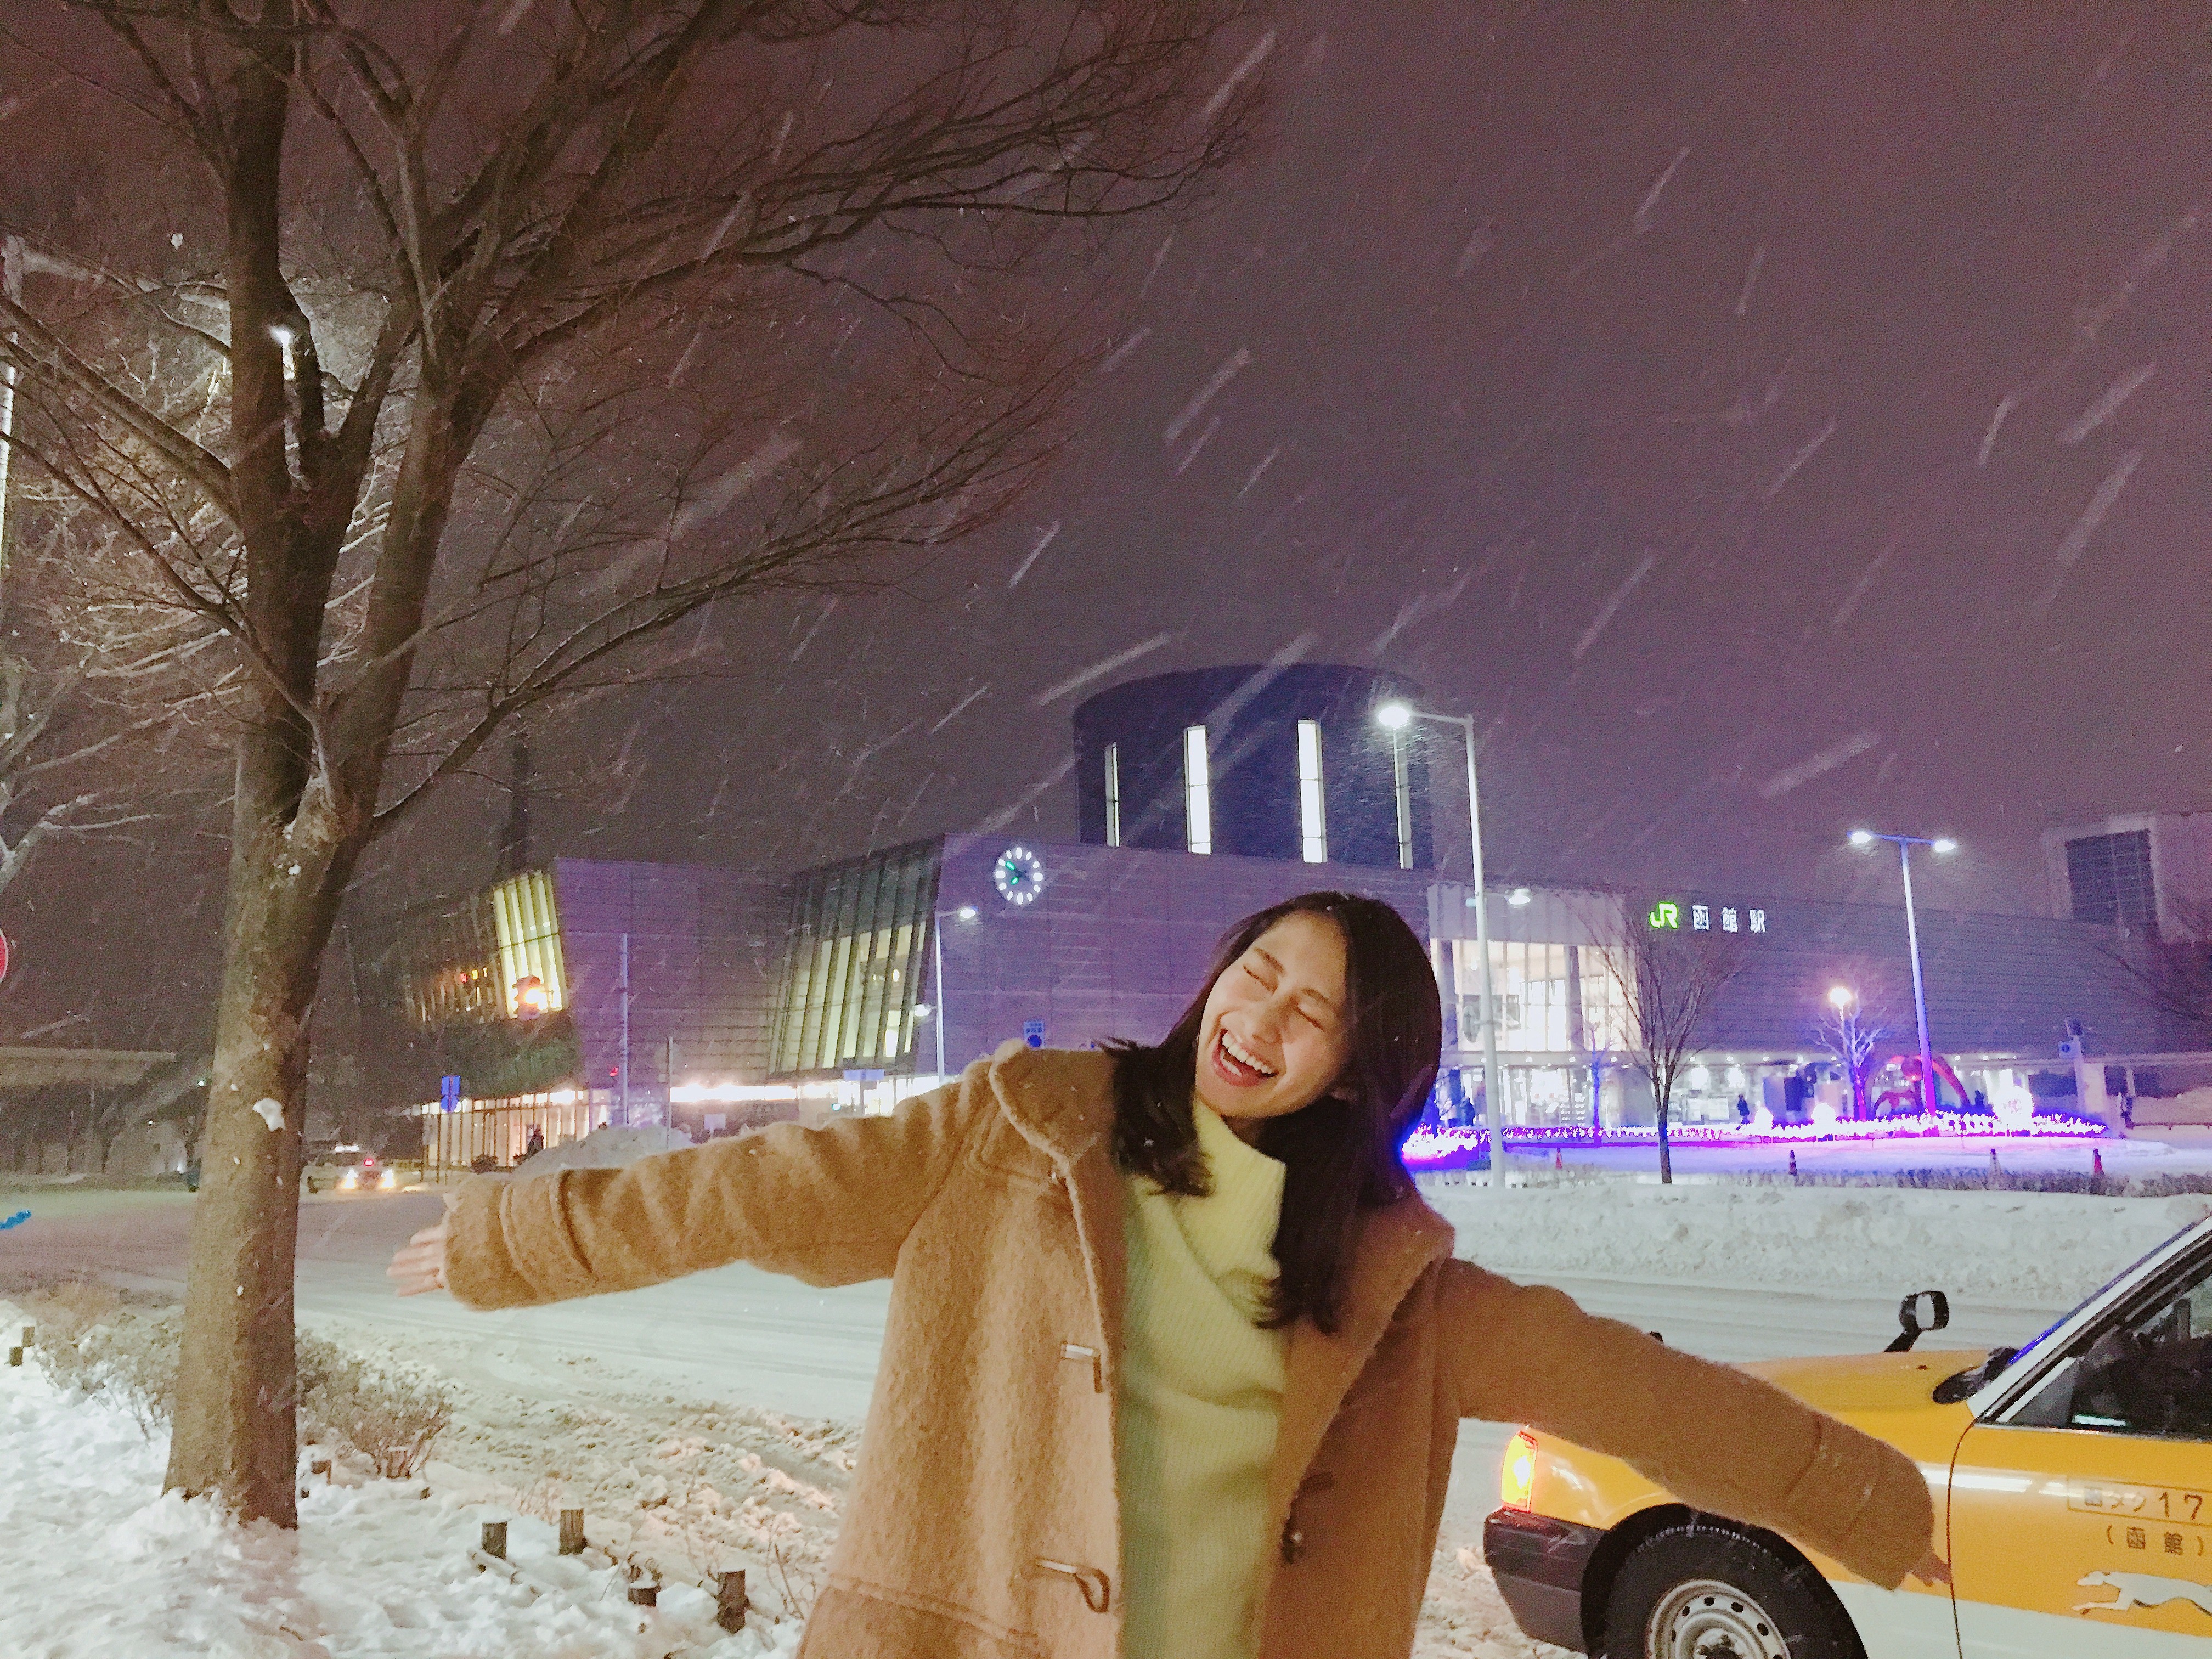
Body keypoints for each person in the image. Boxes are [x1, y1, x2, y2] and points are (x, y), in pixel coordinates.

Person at [390, 891, 1943, 1659]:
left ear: (1358, 1073)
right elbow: (754, 1188)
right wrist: (512, 1237)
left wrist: (1875, 1506)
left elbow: (1649, 1396)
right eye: (1258, 972)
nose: (1261, 1016)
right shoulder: (1019, 1130)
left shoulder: (1399, 1291)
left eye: (1313, 1013)